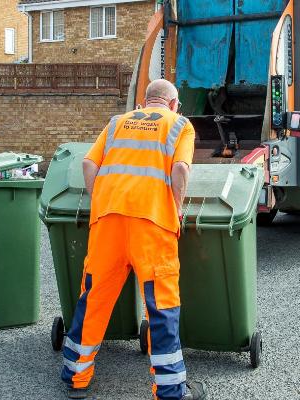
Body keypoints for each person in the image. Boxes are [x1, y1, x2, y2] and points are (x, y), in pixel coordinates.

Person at [61, 79, 207, 400]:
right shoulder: (180, 125)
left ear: (143, 102)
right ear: (172, 104)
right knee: (161, 305)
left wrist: (100, 199)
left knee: (94, 297)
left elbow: (89, 163)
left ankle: (76, 376)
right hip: (152, 225)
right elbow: (180, 170)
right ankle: (169, 390)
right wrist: (177, 209)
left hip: (107, 223)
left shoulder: (117, 123)